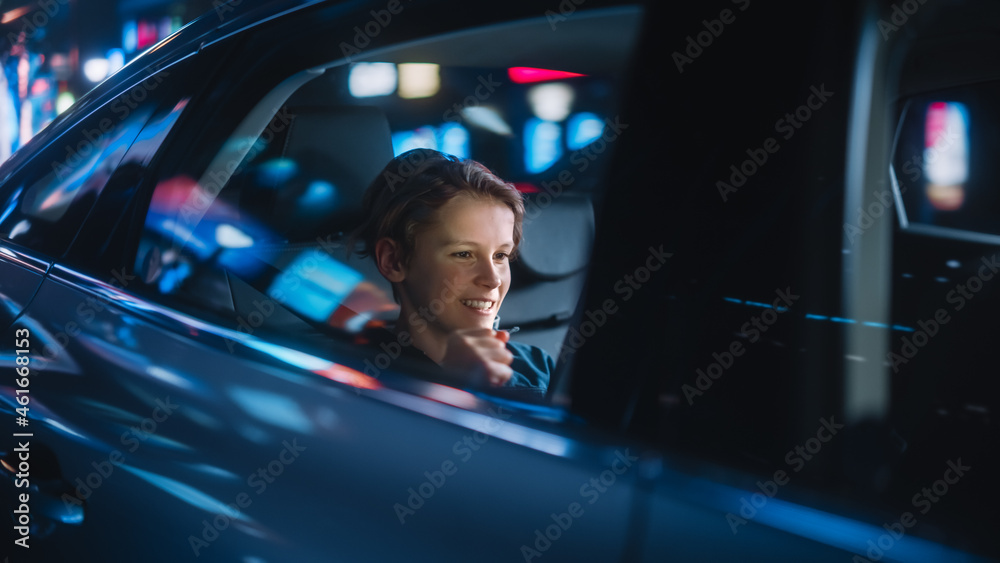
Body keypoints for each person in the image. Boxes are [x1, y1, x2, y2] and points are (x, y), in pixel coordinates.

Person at [350, 148, 553, 395]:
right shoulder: (358, 378)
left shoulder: (541, 368)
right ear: (394, 261)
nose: (492, 280)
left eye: (500, 256)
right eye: (464, 254)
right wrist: (458, 388)